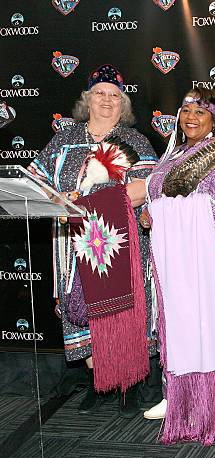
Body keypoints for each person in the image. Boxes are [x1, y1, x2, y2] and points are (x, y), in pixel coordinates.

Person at [28, 64, 157, 418]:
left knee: (120, 308)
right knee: (79, 310)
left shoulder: (135, 142)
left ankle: (128, 383)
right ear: (87, 99)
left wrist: (86, 202)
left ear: (123, 104)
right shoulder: (63, 140)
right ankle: (98, 382)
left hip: (118, 242)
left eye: (114, 95)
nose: (107, 100)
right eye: (100, 93)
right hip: (72, 244)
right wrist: (57, 199)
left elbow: (145, 187)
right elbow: (38, 182)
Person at [138, 88, 215, 445]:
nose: (191, 117)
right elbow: (156, 196)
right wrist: (150, 213)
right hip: (173, 258)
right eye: (185, 110)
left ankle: (207, 407)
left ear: (213, 118)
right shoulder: (173, 153)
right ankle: (176, 397)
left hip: (208, 259)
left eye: (200, 111)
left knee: (205, 327)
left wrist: (164, 216)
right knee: (174, 325)